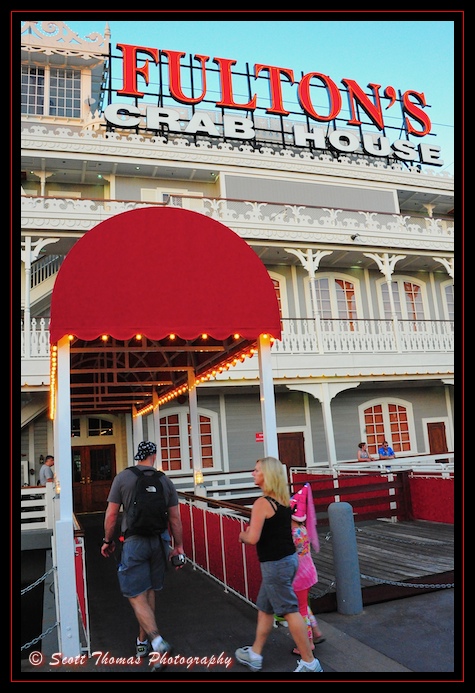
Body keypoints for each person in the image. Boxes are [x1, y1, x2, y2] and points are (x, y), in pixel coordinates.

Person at [101, 441, 185, 672]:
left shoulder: (123, 478)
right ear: (154, 455)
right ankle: (143, 642)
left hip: (134, 542)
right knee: (148, 592)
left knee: (135, 594)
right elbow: (175, 519)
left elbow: (111, 515)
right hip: (160, 542)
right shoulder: (164, 480)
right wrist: (178, 547)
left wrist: (108, 541)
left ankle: (157, 641)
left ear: (137, 456)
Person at [235, 457, 323, 674]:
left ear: (267, 474)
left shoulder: (262, 504)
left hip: (275, 564)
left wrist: (242, 535)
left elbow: (253, 537)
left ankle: (310, 663)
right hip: (288, 560)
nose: (253, 474)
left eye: (256, 470)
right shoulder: (282, 500)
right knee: (265, 608)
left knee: (290, 611)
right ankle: (255, 654)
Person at [289, 483, 325, 656]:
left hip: (298, 576)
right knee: (304, 605)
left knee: (300, 609)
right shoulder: (303, 530)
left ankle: (308, 641)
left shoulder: (292, 533)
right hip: (309, 572)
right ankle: (316, 630)